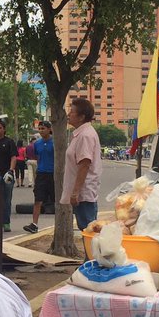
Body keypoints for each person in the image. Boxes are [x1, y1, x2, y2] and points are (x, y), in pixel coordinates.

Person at [62, 98, 101, 230]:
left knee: (89, 230)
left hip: (84, 194)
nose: (68, 114)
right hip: (81, 193)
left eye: (72, 112)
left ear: (81, 117)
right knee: (86, 229)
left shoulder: (85, 136)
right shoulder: (80, 134)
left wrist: (75, 192)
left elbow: (84, 164)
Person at [23, 121, 54, 234]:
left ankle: (59, 225)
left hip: (53, 174)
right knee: (38, 199)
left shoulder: (55, 142)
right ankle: (34, 224)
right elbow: (37, 156)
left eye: (43, 128)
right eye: (39, 129)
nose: (41, 131)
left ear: (49, 129)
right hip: (41, 173)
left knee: (57, 200)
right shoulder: (37, 144)